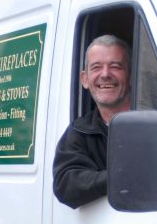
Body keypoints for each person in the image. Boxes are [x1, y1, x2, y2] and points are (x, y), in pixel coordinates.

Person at [53, 34, 132, 209]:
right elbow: (66, 185)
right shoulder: (79, 132)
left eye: (115, 66)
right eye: (96, 67)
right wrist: (119, 177)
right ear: (85, 79)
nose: (105, 74)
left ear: (131, 76)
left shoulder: (156, 124)